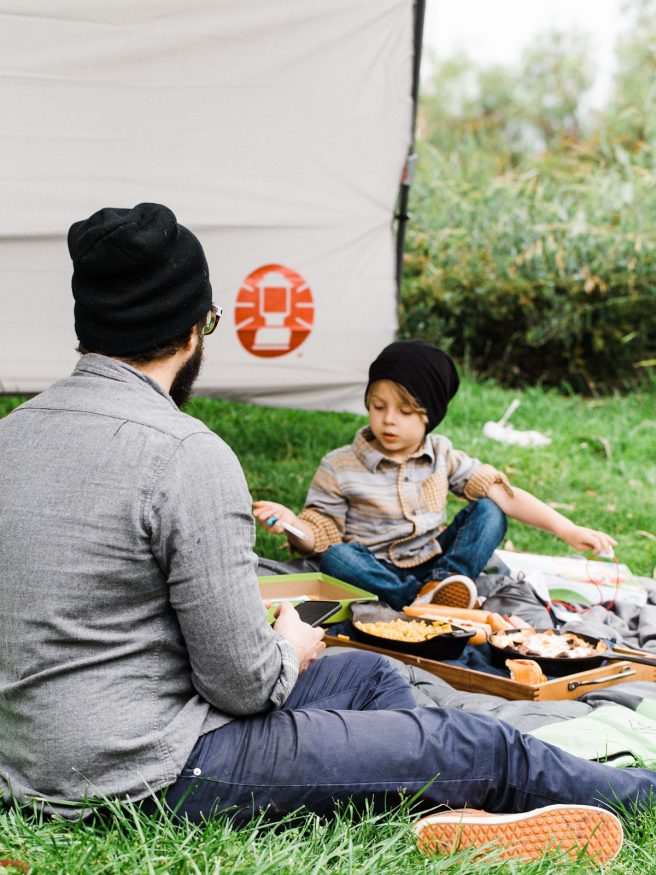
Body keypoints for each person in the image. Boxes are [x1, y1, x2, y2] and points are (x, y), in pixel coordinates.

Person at [0, 202, 652, 866]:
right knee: (477, 745)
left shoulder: (12, 433)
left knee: (372, 679)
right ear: (193, 332)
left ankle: (433, 810)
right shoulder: (186, 455)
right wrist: (286, 641)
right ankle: (641, 795)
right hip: (147, 766)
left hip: (35, 744)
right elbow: (243, 685)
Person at [254, 340, 616, 612]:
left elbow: (505, 494)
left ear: (430, 415)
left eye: (406, 411)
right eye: (378, 407)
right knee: (336, 559)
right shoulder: (340, 464)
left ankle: (443, 584)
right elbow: (320, 535)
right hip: (374, 566)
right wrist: (291, 525)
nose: (389, 419)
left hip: (434, 558)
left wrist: (566, 529)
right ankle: (419, 599)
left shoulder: (442, 454)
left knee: (489, 511)